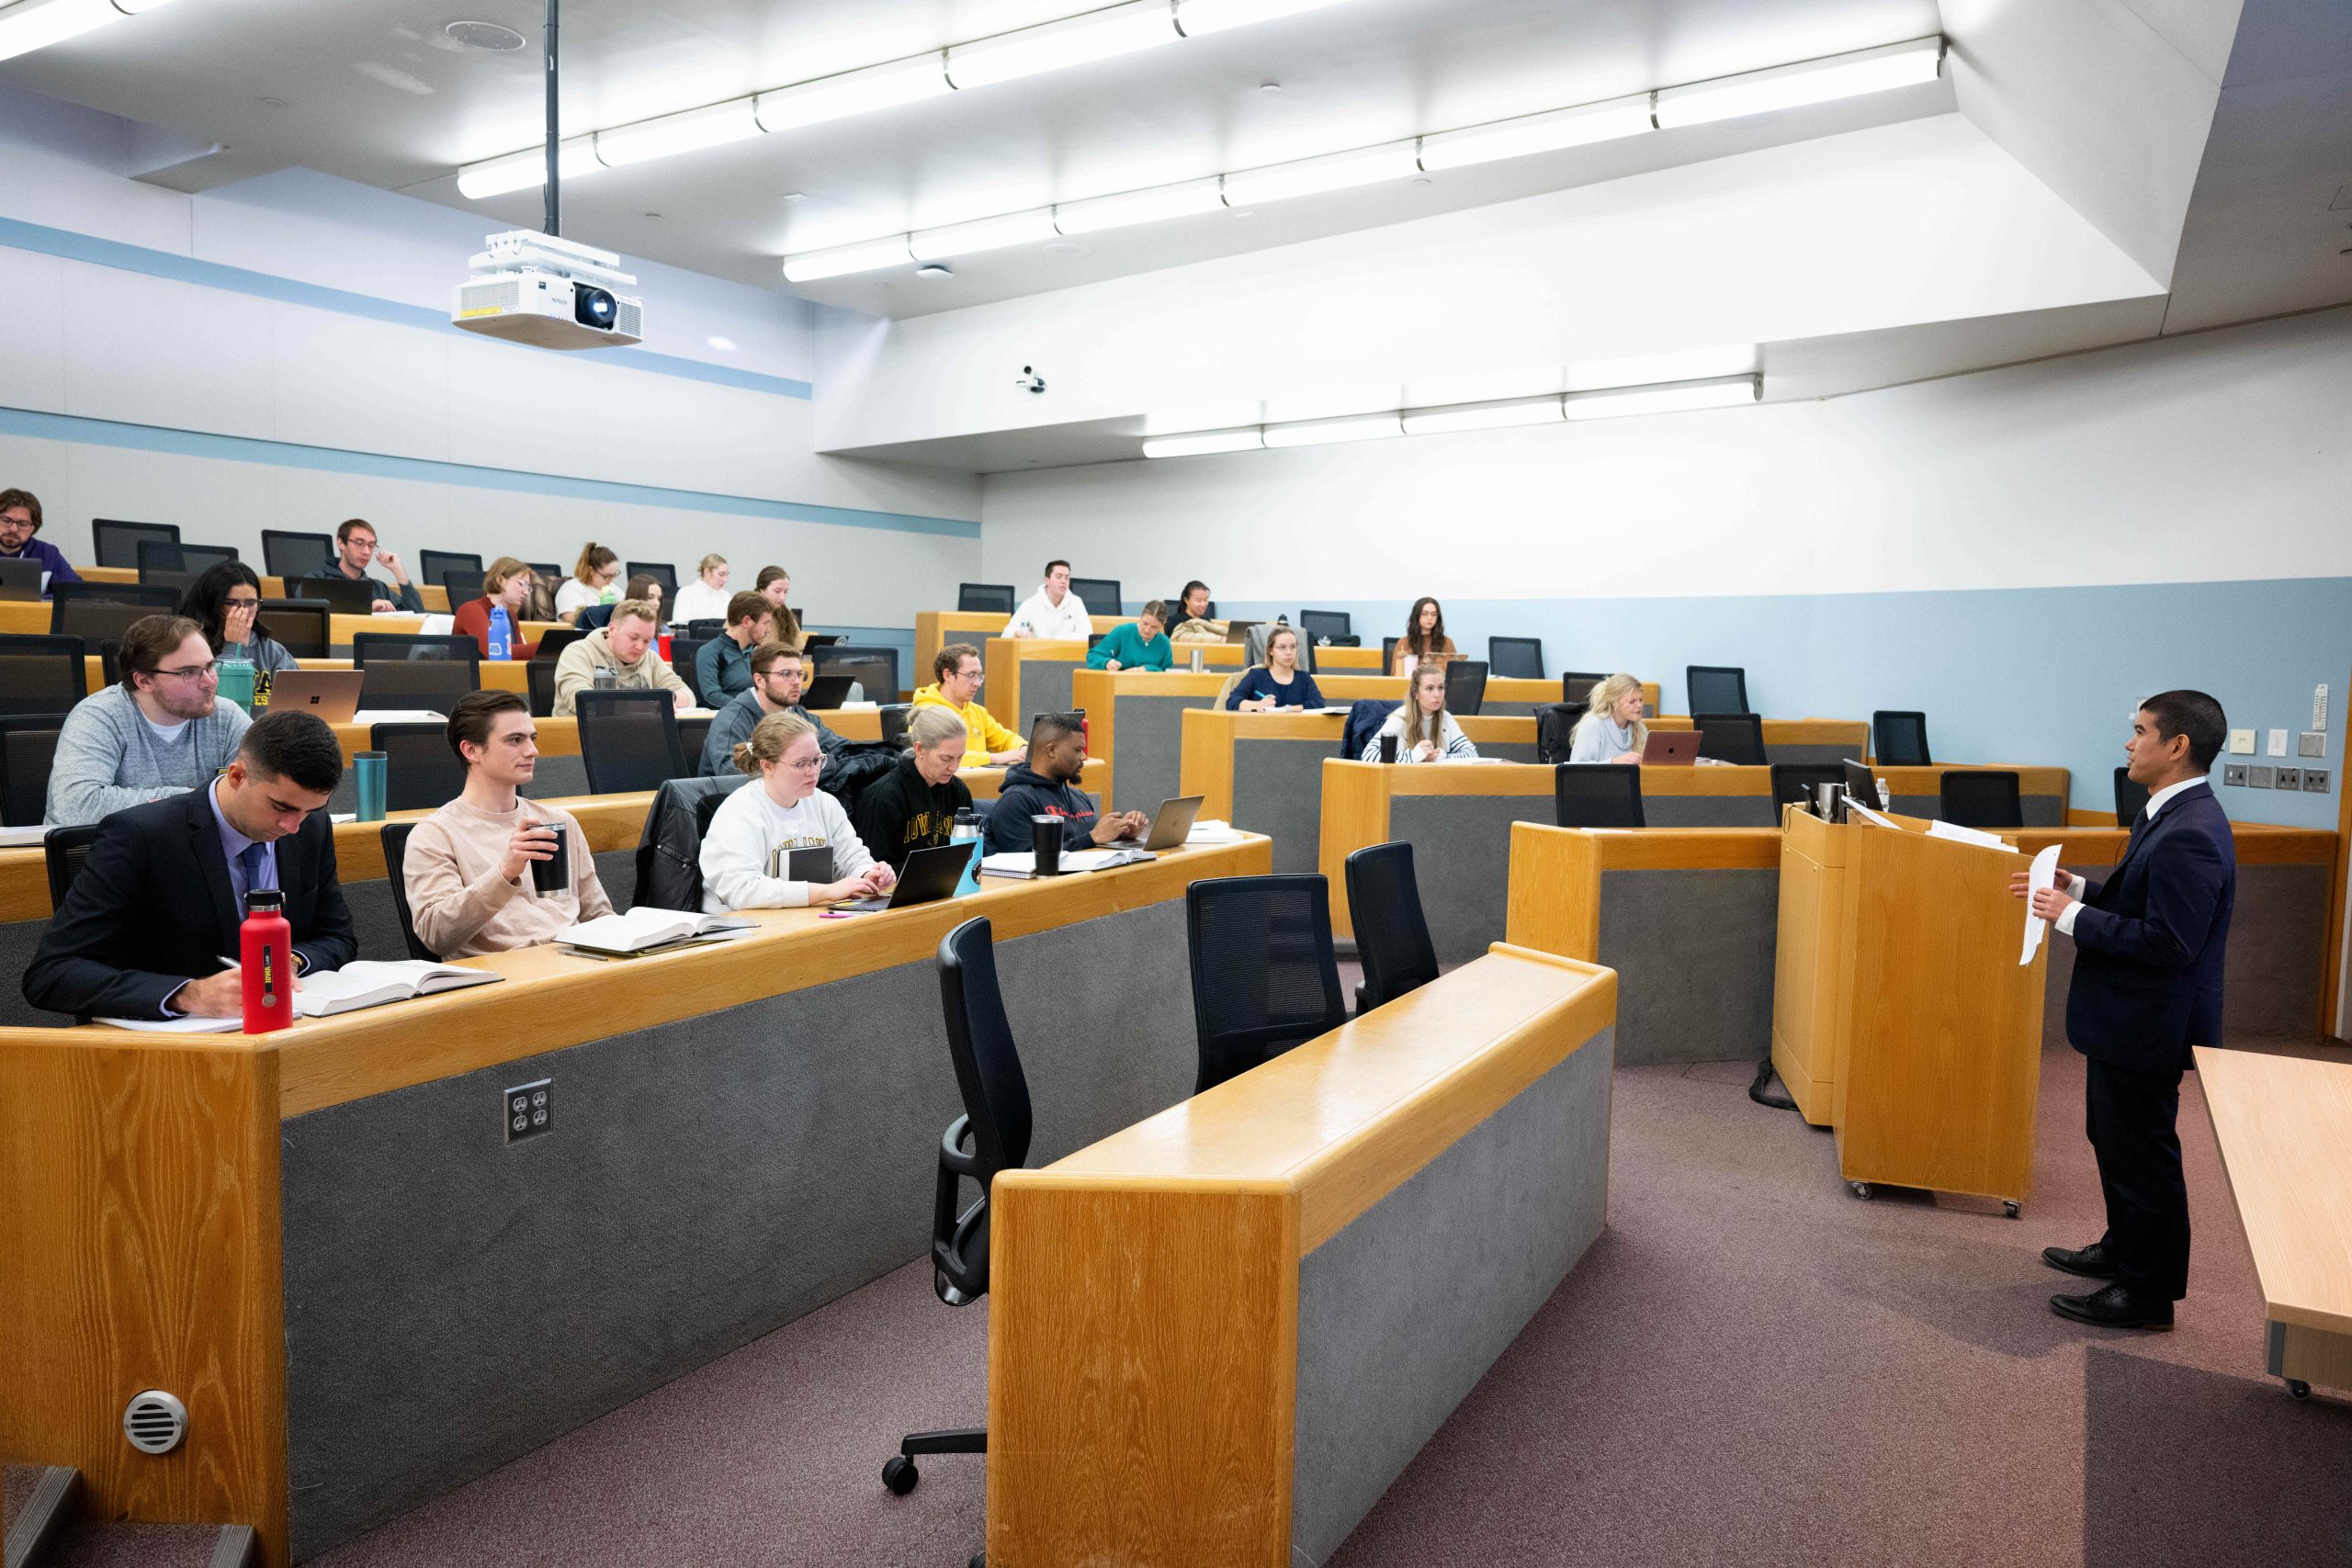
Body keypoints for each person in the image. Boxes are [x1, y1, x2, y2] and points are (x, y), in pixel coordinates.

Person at [2016, 691, 2236, 1332]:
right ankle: (2124, 1248)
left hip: (2149, 1021)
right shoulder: (2169, 813)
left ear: (2177, 746)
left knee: (2143, 1154)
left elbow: (2171, 942)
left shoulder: (2191, 832)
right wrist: (2077, 889)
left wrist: (2072, 918)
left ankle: (2147, 1292)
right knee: (2111, 1138)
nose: (2128, 743)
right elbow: (2144, 899)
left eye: (2139, 731)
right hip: (2128, 1018)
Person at [24, 709, 354, 1020]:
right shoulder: (141, 836)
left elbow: (338, 937)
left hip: (279, 1023)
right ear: (237, 776)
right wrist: (188, 994)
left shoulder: (312, 828)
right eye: (281, 807)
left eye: (310, 810)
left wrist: (290, 960)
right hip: (167, 1051)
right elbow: (52, 973)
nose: (292, 827)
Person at [402, 690, 615, 957]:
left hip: (575, 966)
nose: (532, 750)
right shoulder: (434, 835)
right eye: (515, 740)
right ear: (471, 750)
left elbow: (599, 916)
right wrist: (504, 872)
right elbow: (437, 937)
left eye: (532, 738)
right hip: (503, 979)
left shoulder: (559, 823)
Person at [46, 615, 253, 826]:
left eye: (210, 666)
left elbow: (257, 794)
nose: (209, 682)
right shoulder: (99, 717)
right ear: (144, 680)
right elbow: (76, 808)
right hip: (106, 854)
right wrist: (197, 799)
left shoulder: (227, 717)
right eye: (188, 672)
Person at [699, 710, 895, 912]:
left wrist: (867, 873)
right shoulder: (740, 812)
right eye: (801, 764)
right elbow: (742, 890)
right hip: (744, 928)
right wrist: (826, 892)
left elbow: (851, 856)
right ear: (767, 766)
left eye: (817, 760)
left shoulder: (825, 804)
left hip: (806, 917)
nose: (813, 771)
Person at [982, 712, 1145, 853]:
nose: (1084, 757)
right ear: (1051, 750)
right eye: (1077, 750)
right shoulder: (1017, 800)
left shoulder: (1078, 796)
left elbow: (1093, 841)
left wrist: (1122, 833)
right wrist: (1092, 838)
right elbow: (1025, 863)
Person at [853, 706, 974, 870]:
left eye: (960, 757)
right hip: (896, 891)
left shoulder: (958, 791)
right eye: (946, 758)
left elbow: (969, 853)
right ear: (920, 749)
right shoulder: (883, 797)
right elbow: (873, 869)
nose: (954, 767)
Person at [699, 641, 842, 775]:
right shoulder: (732, 720)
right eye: (786, 674)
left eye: (799, 674)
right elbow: (730, 772)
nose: (797, 682)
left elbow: (843, 751)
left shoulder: (802, 716)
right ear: (760, 680)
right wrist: (796, 770)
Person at [552, 601, 693, 717]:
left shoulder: (649, 657)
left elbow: (688, 696)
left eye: (647, 641)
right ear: (612, 629)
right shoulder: (579, 652)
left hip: (636, 736)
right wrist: (650, 704)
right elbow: (581, 703)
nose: (640, 647)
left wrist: (671, 698)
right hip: (579, 741)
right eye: (633, 637)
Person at [178, 562, 300, 696]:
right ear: (212, 603)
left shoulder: (272, 650)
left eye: (250, 603)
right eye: (230, 603)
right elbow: (214, 700)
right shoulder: (188, 644)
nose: (243, 610)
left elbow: (299, 700)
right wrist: (234, 647)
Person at [911, 643, 1024, 767]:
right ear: (948, 675)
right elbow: (938, 756)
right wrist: (992, 758)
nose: (977, 683)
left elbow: (1005, 738)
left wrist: (1023, 748)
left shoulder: (977, 711)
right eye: (971, 675)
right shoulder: (927, 712)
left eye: (979, 676)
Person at [1363, 662, 1477, 762]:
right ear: (1415, 693)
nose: (1437, 694)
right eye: (1429, 688)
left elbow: (1472, 754)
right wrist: (1412, 756)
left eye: (1441, 688)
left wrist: (1444, 756)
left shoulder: (1446, 718)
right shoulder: (1400, 717)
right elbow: (1368, 755)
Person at [451, 557, 539, 660]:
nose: (526, 592)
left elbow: (519, 656)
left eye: (528, 588)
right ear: (500, 580)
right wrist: (546, 647)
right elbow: (495, 653)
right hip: (472, 674)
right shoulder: (470, 610)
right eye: (521, 584)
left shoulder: (511, 614)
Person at [695, 591, 775, 703]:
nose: (769, 630)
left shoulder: (757, 654)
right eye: (765, 623)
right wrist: (751, 707)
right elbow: (712, 696)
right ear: (747, 621)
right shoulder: (710, 652)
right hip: (730, 716)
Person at [331, 519, 424, 614]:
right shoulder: (319, 581)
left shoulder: (378, 588)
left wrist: (399, 571)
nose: (366, 552)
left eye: (371, 545)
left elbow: (418, 617)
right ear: (341, 543)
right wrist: (366, 608)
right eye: (359, 543)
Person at [1225, 625, 1325, 711]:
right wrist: (1257, 705)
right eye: (1282, 647)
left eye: (1293, 647)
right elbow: (1232, 702)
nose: (1289, 652)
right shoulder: (1256, 675)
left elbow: (1318, 704)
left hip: (1295, 731)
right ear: (1271, 651)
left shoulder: (1304, 678)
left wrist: (1287, 709)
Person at [0, 488, 80, 591]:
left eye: (23, 524)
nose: (13, 529)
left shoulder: (47, 554)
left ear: (34, 528)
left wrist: (39, 601)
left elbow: (76, 593)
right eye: (6, 520)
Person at [1568, 673, 1647, 763]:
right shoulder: (1593, 725)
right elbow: (1576, 769)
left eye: (1640, 700)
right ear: (1614, 703)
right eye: (1632, 701)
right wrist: (1613, 762)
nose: (1639, 705)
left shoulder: (1640, 728)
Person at [1003, 559, 1091, 639]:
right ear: (1047, 580)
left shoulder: (1076, 602)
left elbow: (1087, 634)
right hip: (1037, 654)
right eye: (1059, 576)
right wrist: (1016, 633)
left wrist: (1056, 641)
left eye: (1067, 578)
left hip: (1068, 654)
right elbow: (1007, 633)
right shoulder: (1031, 604)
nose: (1064, 581)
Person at [1086, 600, 1172, 671]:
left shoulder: (1164, 643)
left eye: (1154, 627)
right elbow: (1092, 656)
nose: (1147, 630)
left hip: (1150, 689)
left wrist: (1147, 669)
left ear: (1162, 625)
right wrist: (1106, 663)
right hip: (1118, 686)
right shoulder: (1122, 632)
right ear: (1141, 617)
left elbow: (1168, 673)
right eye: (1145, 623)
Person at [1391, 596, 1457, 677]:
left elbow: (1455, 674)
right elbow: (1395, 676)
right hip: (1411, 688)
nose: (1430, 618)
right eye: (1424, 614)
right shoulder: (1403, 643)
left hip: (1439, 688)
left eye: (1433, 614)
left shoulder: (1447, 642)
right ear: (1417, 616)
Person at [555, 543, 620, 625]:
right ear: (591, 571)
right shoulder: (571, 588)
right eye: (607, 576)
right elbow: (571, 619)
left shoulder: (615, 590)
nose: (611, 580)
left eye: (614, 575)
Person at [672, 554, 733, 625]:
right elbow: (681, 626)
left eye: (727, 575)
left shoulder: (726, 596)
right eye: (721, 574)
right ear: (707, 572)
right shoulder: (686, 593)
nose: (726, 579)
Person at [753, 565, 803, 647]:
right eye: (777, 591)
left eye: (785, 592)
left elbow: (799, 650)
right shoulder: (743, 612)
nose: (782, 597)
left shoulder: (786, 616)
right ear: (761, 590)